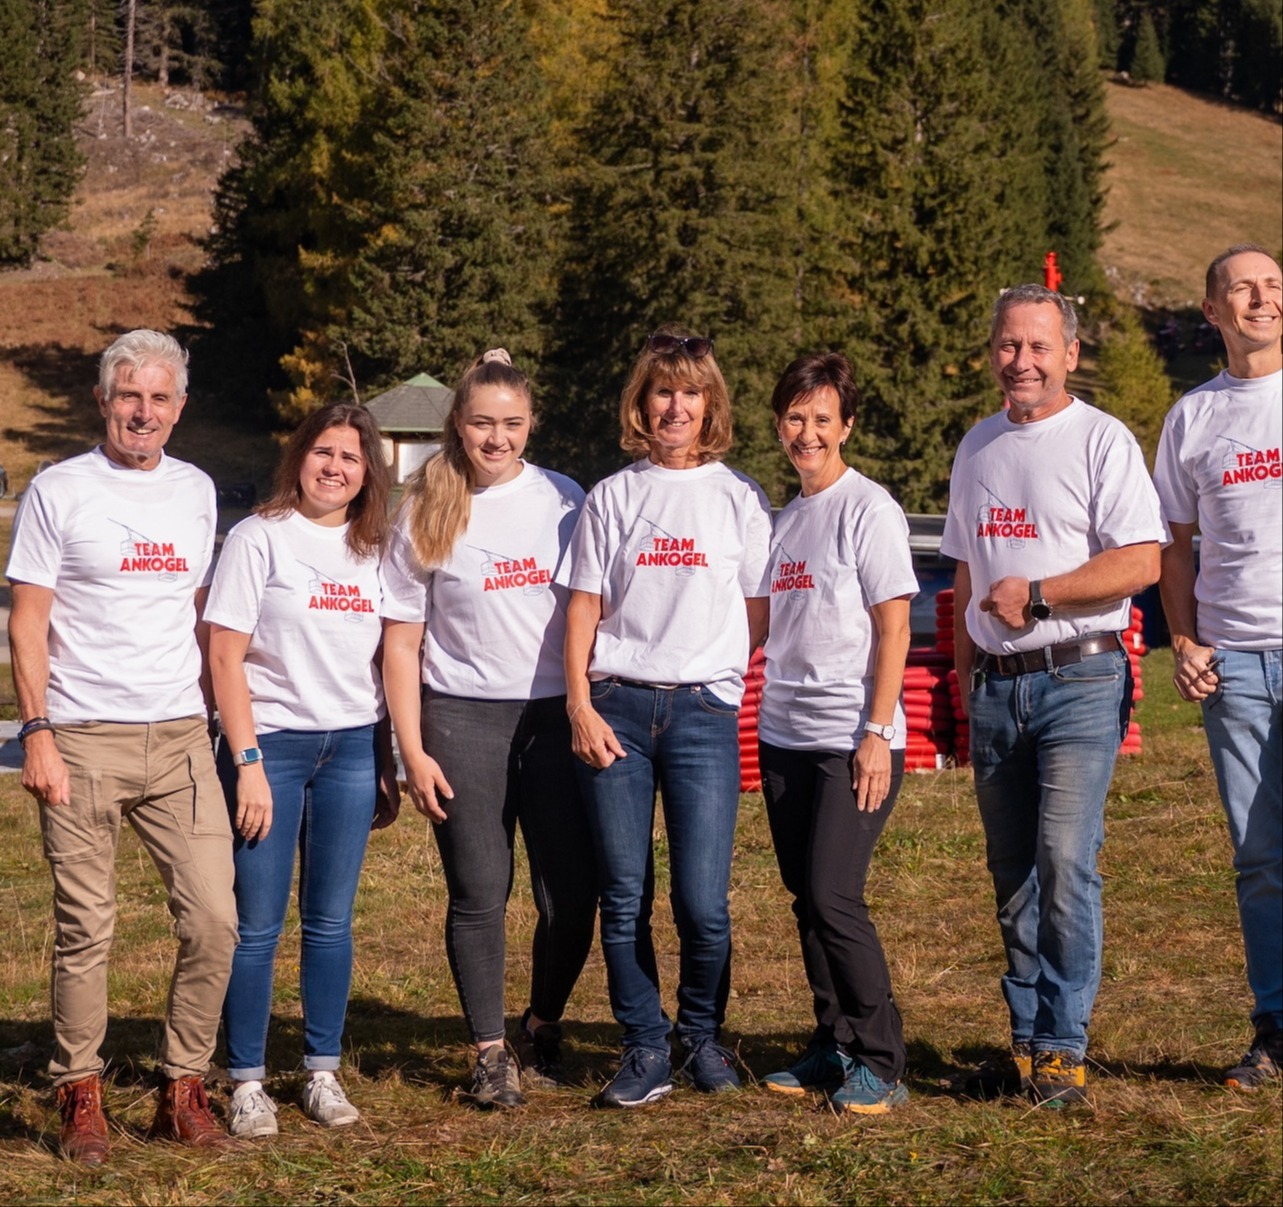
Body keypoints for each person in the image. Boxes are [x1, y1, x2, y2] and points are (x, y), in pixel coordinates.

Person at [6, 330, 238, 1163]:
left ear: (180, 406)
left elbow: (203, 612)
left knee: (215, 918)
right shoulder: (59, 489)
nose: (145, 411)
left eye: (161, 397)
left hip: (179, 737)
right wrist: (37, 731)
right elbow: (27, 619)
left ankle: (183, 1087)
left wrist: (225, 728)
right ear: (103, 401)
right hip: (82, 737)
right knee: (85, 927)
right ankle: (80, 1092)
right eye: (129, 395)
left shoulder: (197, 490)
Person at [941, 285, 1164, 1107]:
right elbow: (965, 571)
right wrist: (964, 678)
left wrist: (1037, 592)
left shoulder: (1102, 440)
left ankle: (1064, 1044)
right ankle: (1028, 1042)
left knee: (1064, 859)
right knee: (1011, 872)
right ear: (991, 351)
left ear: (1069, 353)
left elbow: (1140, 561)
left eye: (1038, 346)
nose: (1021, 360)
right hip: (996, 688)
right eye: (1007, 345)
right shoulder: (975, 446)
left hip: (1080, 674)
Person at [381, 349, 597, 1110]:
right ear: (458, 425)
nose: (496, 438)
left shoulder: (566, 500)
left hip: (553, 715)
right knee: (480, 888)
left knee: (571, 892)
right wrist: (410, 749)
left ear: (531, 424)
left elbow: (592, 609)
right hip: (462, 717)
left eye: (511, 423)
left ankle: (542, 1019)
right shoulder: (424, 507)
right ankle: (489, 1050)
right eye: (482, 423)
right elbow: (401, 642)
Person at [566, 326, 772, 1108]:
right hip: (616, 706)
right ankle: (643, 1045)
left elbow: (756, 612)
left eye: (690, 391)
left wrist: (715, 683)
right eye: (662, 390)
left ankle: (700, 1035)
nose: (676, 405)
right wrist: (581, 703)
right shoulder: (613, 496)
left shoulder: (739, 496)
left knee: (702, 900)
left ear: (710, 402)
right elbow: (583, 607)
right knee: (623, 893)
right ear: (640, 402)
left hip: (700, 717)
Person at [205, 404, 399, 1137]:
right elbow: (224, 654)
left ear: (366, 473)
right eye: (323, 451)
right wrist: (247, 761)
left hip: (348, 748)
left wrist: (381, 758)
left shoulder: (372, 547)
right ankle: (246, 1078)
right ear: (299, 456)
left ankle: (321, 1068)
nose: (335, 467)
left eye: (350, 457)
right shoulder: (259, 538)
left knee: (330, 920)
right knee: (255, 924)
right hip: (273, 748)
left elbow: (381, 663)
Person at [756, 353, 917, 1114]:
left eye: (822, 418)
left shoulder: (868, 508)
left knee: (833, 893)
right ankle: (833, 1042)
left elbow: (894, 627)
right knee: (804, 898)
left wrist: (877, 731)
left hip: (852, 738)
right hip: (783, 734)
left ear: (846, 425)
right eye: (795, 417)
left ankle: (881, 1059)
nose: (807, 432)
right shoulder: (784, 520)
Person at [1154, 244, 1282, 1090]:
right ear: (1211, 311)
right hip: (1232, 661)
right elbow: (1170, 543)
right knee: (1259, 855)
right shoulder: (1191, 418)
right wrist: (1187, 641)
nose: (1261, 300)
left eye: (1273, 286)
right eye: (1242, 288)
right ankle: (1274, 1028)